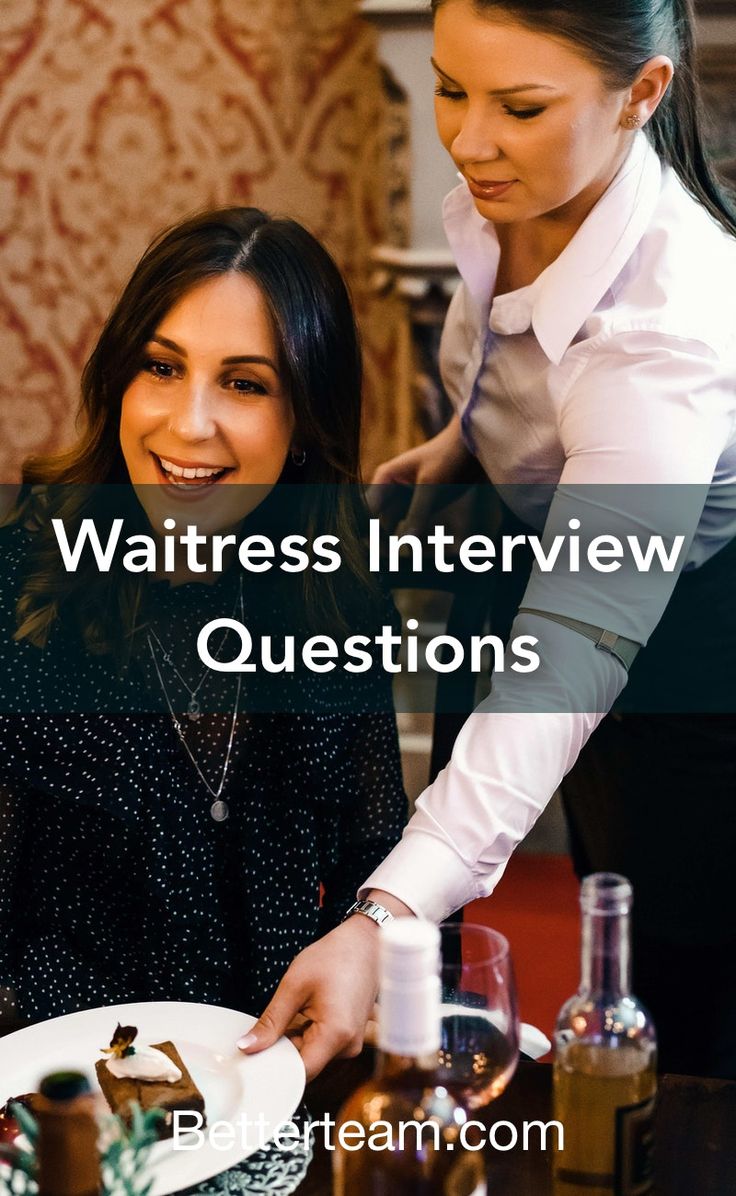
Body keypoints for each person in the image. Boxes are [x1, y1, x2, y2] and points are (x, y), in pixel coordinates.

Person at [241, 0, 736, 1079]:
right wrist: (456, 448)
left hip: (690, 640)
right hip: (518, 539)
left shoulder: (667, 332)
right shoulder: (512, 179)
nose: (465, 140)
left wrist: (380, 909)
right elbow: (502, 358)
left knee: (671, 960)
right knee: (541, 852)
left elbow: (573, 647)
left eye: (517, 105)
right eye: (449, 86)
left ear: (641, 95)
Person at [0, 207, 407, 1026]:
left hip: (276, 1074)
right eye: (161, 367)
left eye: (245, 383)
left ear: (303, 423)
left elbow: (382, 865)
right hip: (67, 1089)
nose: (188, 424)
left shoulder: (337, 594)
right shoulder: (25, 587)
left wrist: (373, 974)